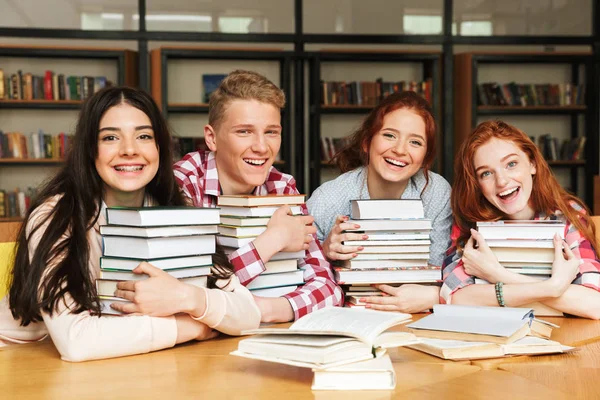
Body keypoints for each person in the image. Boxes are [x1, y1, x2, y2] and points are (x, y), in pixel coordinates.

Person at [0, 86, 261, 361]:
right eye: (110, 137)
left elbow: (248, 313)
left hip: (124, 362)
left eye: (144, 136)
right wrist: (192, 326)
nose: (129, 150)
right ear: (90, 149)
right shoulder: (55, 216)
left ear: (160, 147)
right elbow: (76, 342)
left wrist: (189, 298)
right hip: (22, 362)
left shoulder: (173, 211)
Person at [172, 70, 343, 323]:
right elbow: (186, 292)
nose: (262, 147)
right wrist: (273, 239)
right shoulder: (183, 184)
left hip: (267, 330)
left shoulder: (283, 187)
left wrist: (264, 310)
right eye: (244, 132)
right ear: (212, 138)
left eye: (271, 132)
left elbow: (328, 288)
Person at [306, 91, 452, 313]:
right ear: (367, 142)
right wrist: (324, 251)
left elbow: (438, 270)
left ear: (426, 157)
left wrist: (433, 296)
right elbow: (299, 272)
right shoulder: (328, 198)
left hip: (415, 315)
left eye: (415, 142)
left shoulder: (436, 193)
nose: (400, 150)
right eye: (390, 135)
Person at [441, 120, 600, 319]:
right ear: (477, 184)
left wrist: (498, 275)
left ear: (532, 163)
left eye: (511, 164)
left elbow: (594, 304)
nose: (502, 181)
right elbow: (455, 298)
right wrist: (554, 289)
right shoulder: (470, 223)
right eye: (486, 173)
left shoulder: (567, 214)